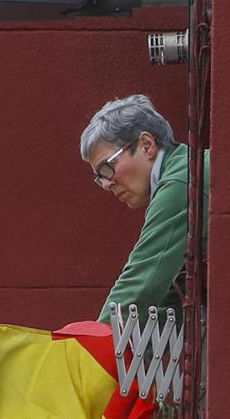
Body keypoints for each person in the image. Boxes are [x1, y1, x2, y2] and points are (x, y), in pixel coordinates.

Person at [80, 94, 192, 323]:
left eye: (107, 168)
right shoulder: (182, 170)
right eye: (99, 177)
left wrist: (86, 352)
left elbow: (140, 283)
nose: (106, 183)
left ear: (146, 145)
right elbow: (165, 302)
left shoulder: (180, 184)